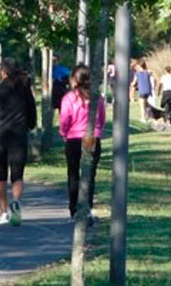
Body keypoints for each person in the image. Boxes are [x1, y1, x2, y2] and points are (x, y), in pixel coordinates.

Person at [0, 58, 36, 226]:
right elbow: (31, 111)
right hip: (19, 136)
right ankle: (16, 202)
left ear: (3, 72)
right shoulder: (24, 90)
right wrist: (30, 124)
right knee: (17, 176)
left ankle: (3, 212)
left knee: (1, 175)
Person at [59, 64, 105, 225]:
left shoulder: (69, 98)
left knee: (73, 174)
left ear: (74, 79)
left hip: (73, 138)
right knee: (90, 175)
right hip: (92, 138)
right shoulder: (96, 97)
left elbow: (65, 119)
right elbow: (102, 117)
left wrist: (64, 133)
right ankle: (88, 208)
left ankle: (74, 209)